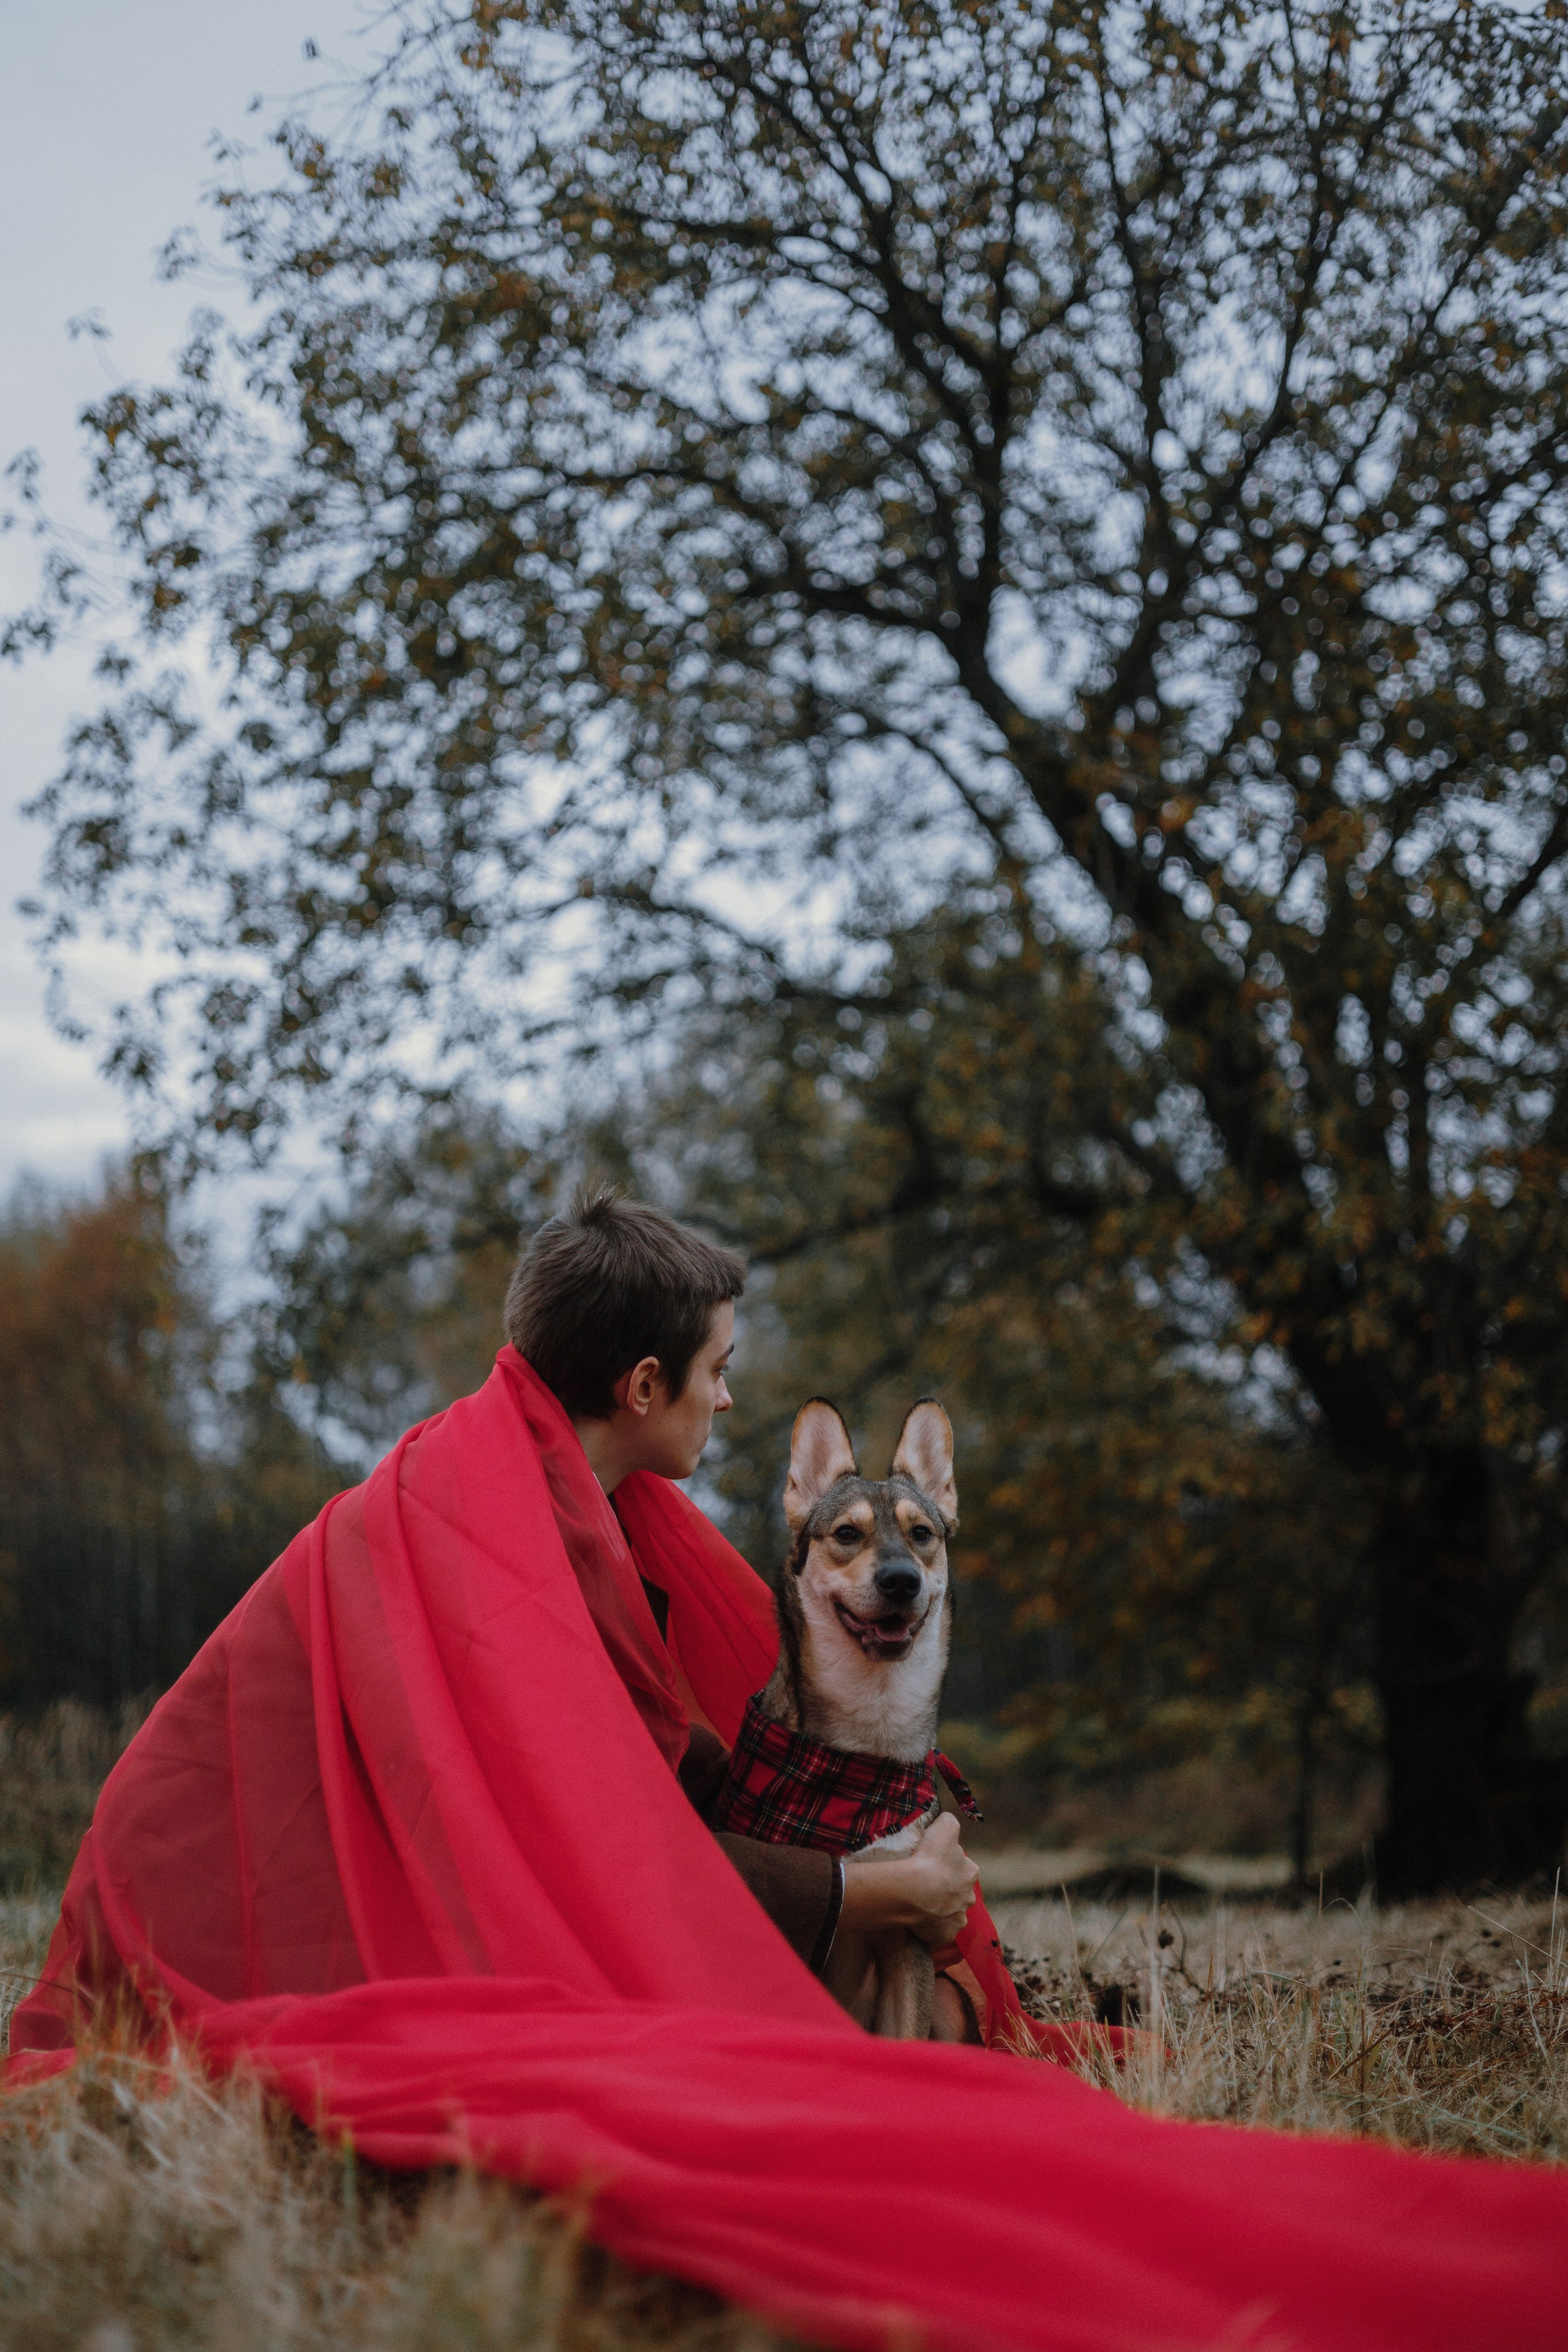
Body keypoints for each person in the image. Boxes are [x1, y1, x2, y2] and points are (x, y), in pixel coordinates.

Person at [502, 1190, 982, 2021]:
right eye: (719, 1371)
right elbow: (611, 1845)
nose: (725, 1399)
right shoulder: (517, 1550)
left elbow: (645, 1760)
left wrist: (811, 1802)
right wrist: (886, 1888)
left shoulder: (603, 1518)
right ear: (646, 1386)